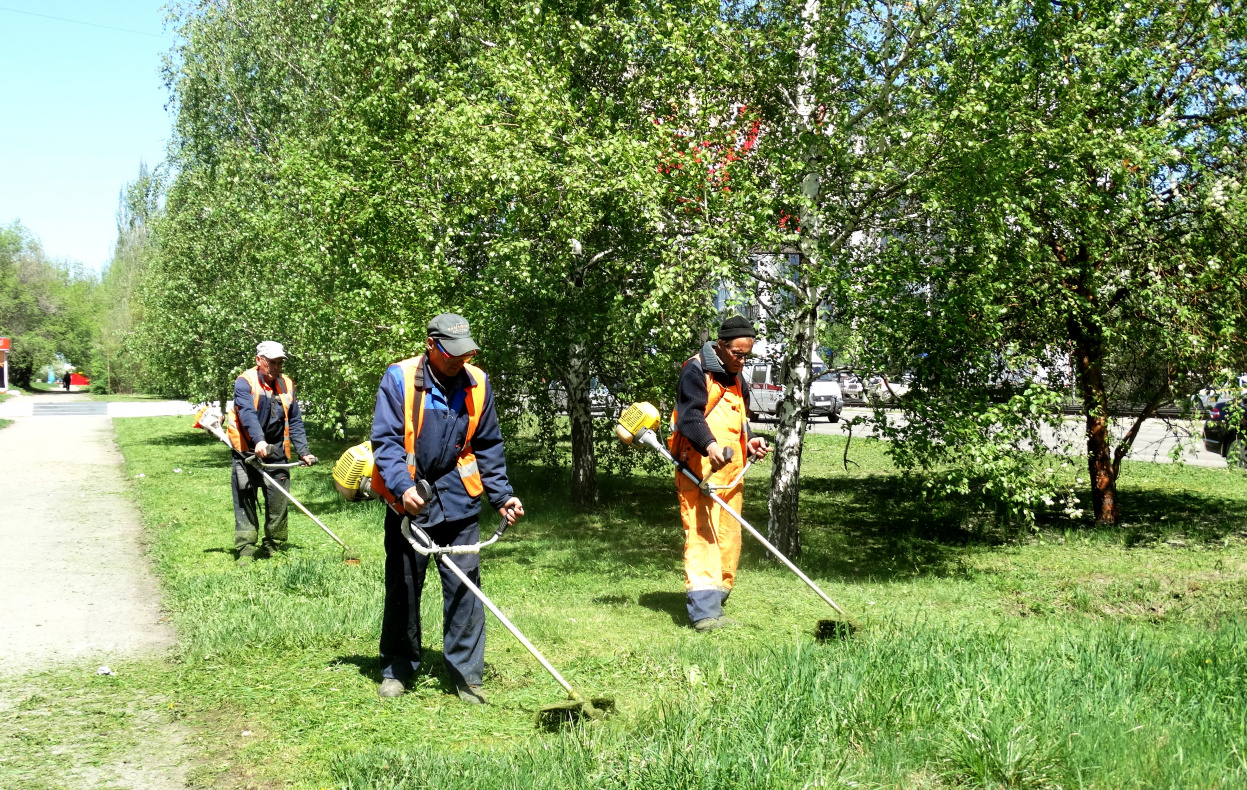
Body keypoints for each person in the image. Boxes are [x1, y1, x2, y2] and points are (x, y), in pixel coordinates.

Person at [370, 313, 524, 703]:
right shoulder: (400, 379)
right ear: (430, 345)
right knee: (404, 586)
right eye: (452, 353)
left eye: (465, 353)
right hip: (410, 500)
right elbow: (386, 441)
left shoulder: (478, 382)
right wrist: (403, 488)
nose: (460, 360)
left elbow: (488, 445)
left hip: (458, 497)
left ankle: (466, 675)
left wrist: (503, 496)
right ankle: (398, 667)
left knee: (465, 588)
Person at [669, 315, 771, 632]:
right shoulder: (696, 369)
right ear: (721, 345)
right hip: (699, 467)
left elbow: (739, 420)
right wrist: (709, 445)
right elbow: (689, 417)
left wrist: (751, 440)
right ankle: (704, 614)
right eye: (737, 354)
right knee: (704, 538)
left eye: (746, 355)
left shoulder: (736, 377)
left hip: (732, 472)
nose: (742, 360)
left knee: (729, 538)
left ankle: (718, 599)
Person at [226, 341, 317, 566]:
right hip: (247, 450)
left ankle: (273, 544)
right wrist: (258, 441)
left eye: (280, 362)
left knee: (278, 500)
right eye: (272, 362)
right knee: (245, 499)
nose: (277, 367)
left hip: (277, 451)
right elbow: (246, 413)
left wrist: (303, 451)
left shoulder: (286, 384)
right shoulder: (244, 382)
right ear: (259, 360)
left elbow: (294, 420)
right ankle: (246, 547)